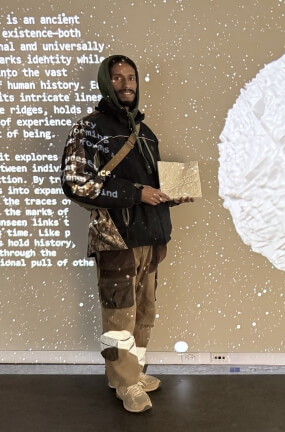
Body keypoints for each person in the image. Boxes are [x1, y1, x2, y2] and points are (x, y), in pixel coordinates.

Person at [61, 55, 192, 413]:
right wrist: (136, 193)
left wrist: (173, 192)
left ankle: (134, 371)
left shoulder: (146, 133)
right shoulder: (88, 128)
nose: (126, 84)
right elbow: (76, 183)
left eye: (130, 77)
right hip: (115, 239)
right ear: (106, 82)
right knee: (119, 316)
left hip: (151, 237)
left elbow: (153, 187)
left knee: (144, 312)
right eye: (117, 78)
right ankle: (123, 382)